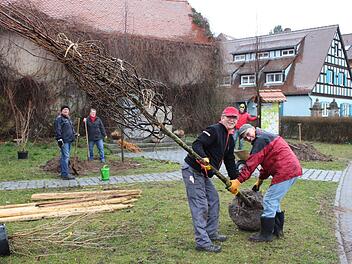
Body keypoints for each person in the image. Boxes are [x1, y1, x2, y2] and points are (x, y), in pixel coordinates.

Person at [228, 124, 302, 242]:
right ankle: (277, 230)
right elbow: (266, 162)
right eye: (244, 138)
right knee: (274, 201)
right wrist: (260, 180)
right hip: (291, 170)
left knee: (269, 200)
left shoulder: (260, 140)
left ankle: (266, 234)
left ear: (253, 128)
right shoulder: (264, 137)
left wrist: (238, 181)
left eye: (247, 134)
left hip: (286, 171)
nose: (248, 138)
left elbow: (251, 163)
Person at [182, 106, 239, 253]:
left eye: (234, 118)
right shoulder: (214, 130)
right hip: (193, 170)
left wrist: (235, 180)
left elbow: (230, 160)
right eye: (229, 117)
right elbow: (196, 144)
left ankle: (211, 233)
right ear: (222, 117)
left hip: (205, 174)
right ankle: (202, 242)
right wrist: (203, 158)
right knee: (200, 205)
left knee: (214, 199)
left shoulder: (230, 139)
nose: (231, 120)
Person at [54, 105, 76, 180]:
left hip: (69, 140)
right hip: (64, 141)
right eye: (64, 110)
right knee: (65, 157)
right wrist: (59, 139)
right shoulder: (59, 119)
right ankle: (65, 174)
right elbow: (58, 129)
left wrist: (74, 133)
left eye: (67, 110)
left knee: (65, 156)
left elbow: (70, 129)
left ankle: (64, 172)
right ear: (61, 111)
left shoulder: (68, 119)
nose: (66, 111)